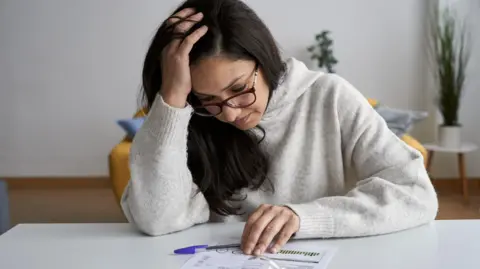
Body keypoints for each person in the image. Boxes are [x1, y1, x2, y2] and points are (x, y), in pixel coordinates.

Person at [121, 0, 438, 256]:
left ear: (264, 57)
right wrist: (174, 99)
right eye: (208, 99)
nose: (229, 114)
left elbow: (416, 194)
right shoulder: (192, 118)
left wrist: (304, 217)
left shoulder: (330, 97)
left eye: (239, 89)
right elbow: (156, 219)